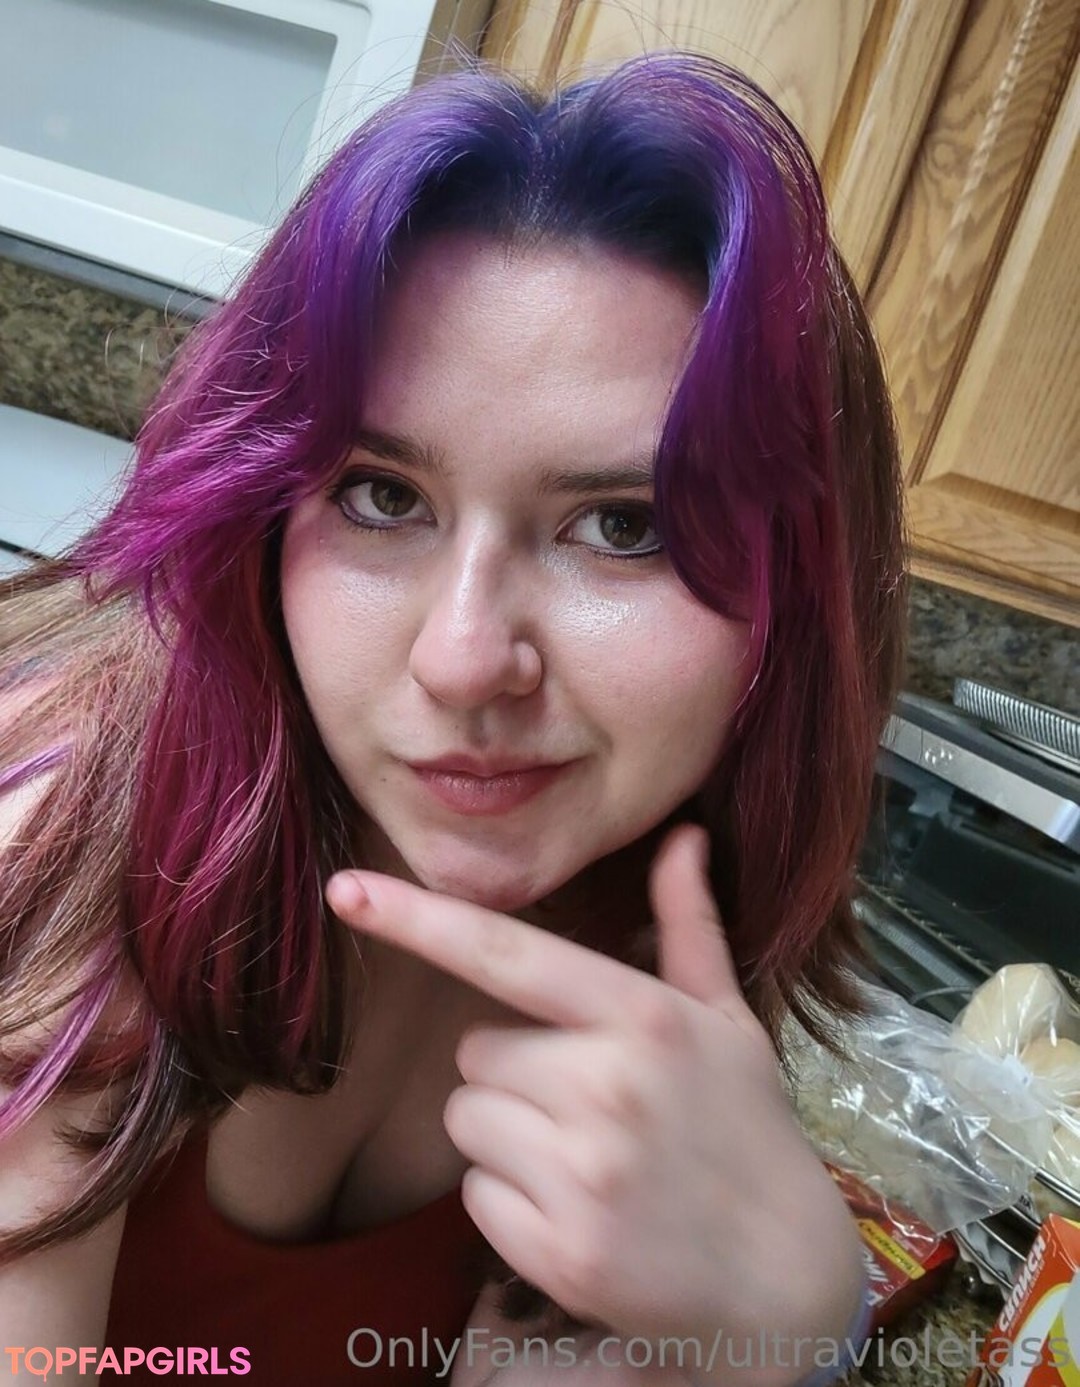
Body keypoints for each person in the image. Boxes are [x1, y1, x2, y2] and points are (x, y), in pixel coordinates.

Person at [0, 48, 905, 1387]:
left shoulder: (660, 914)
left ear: (800, 592)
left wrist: (787, 1323)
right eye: (382, 496)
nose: (466, 659)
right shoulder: (66, 841)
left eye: (625, 527)